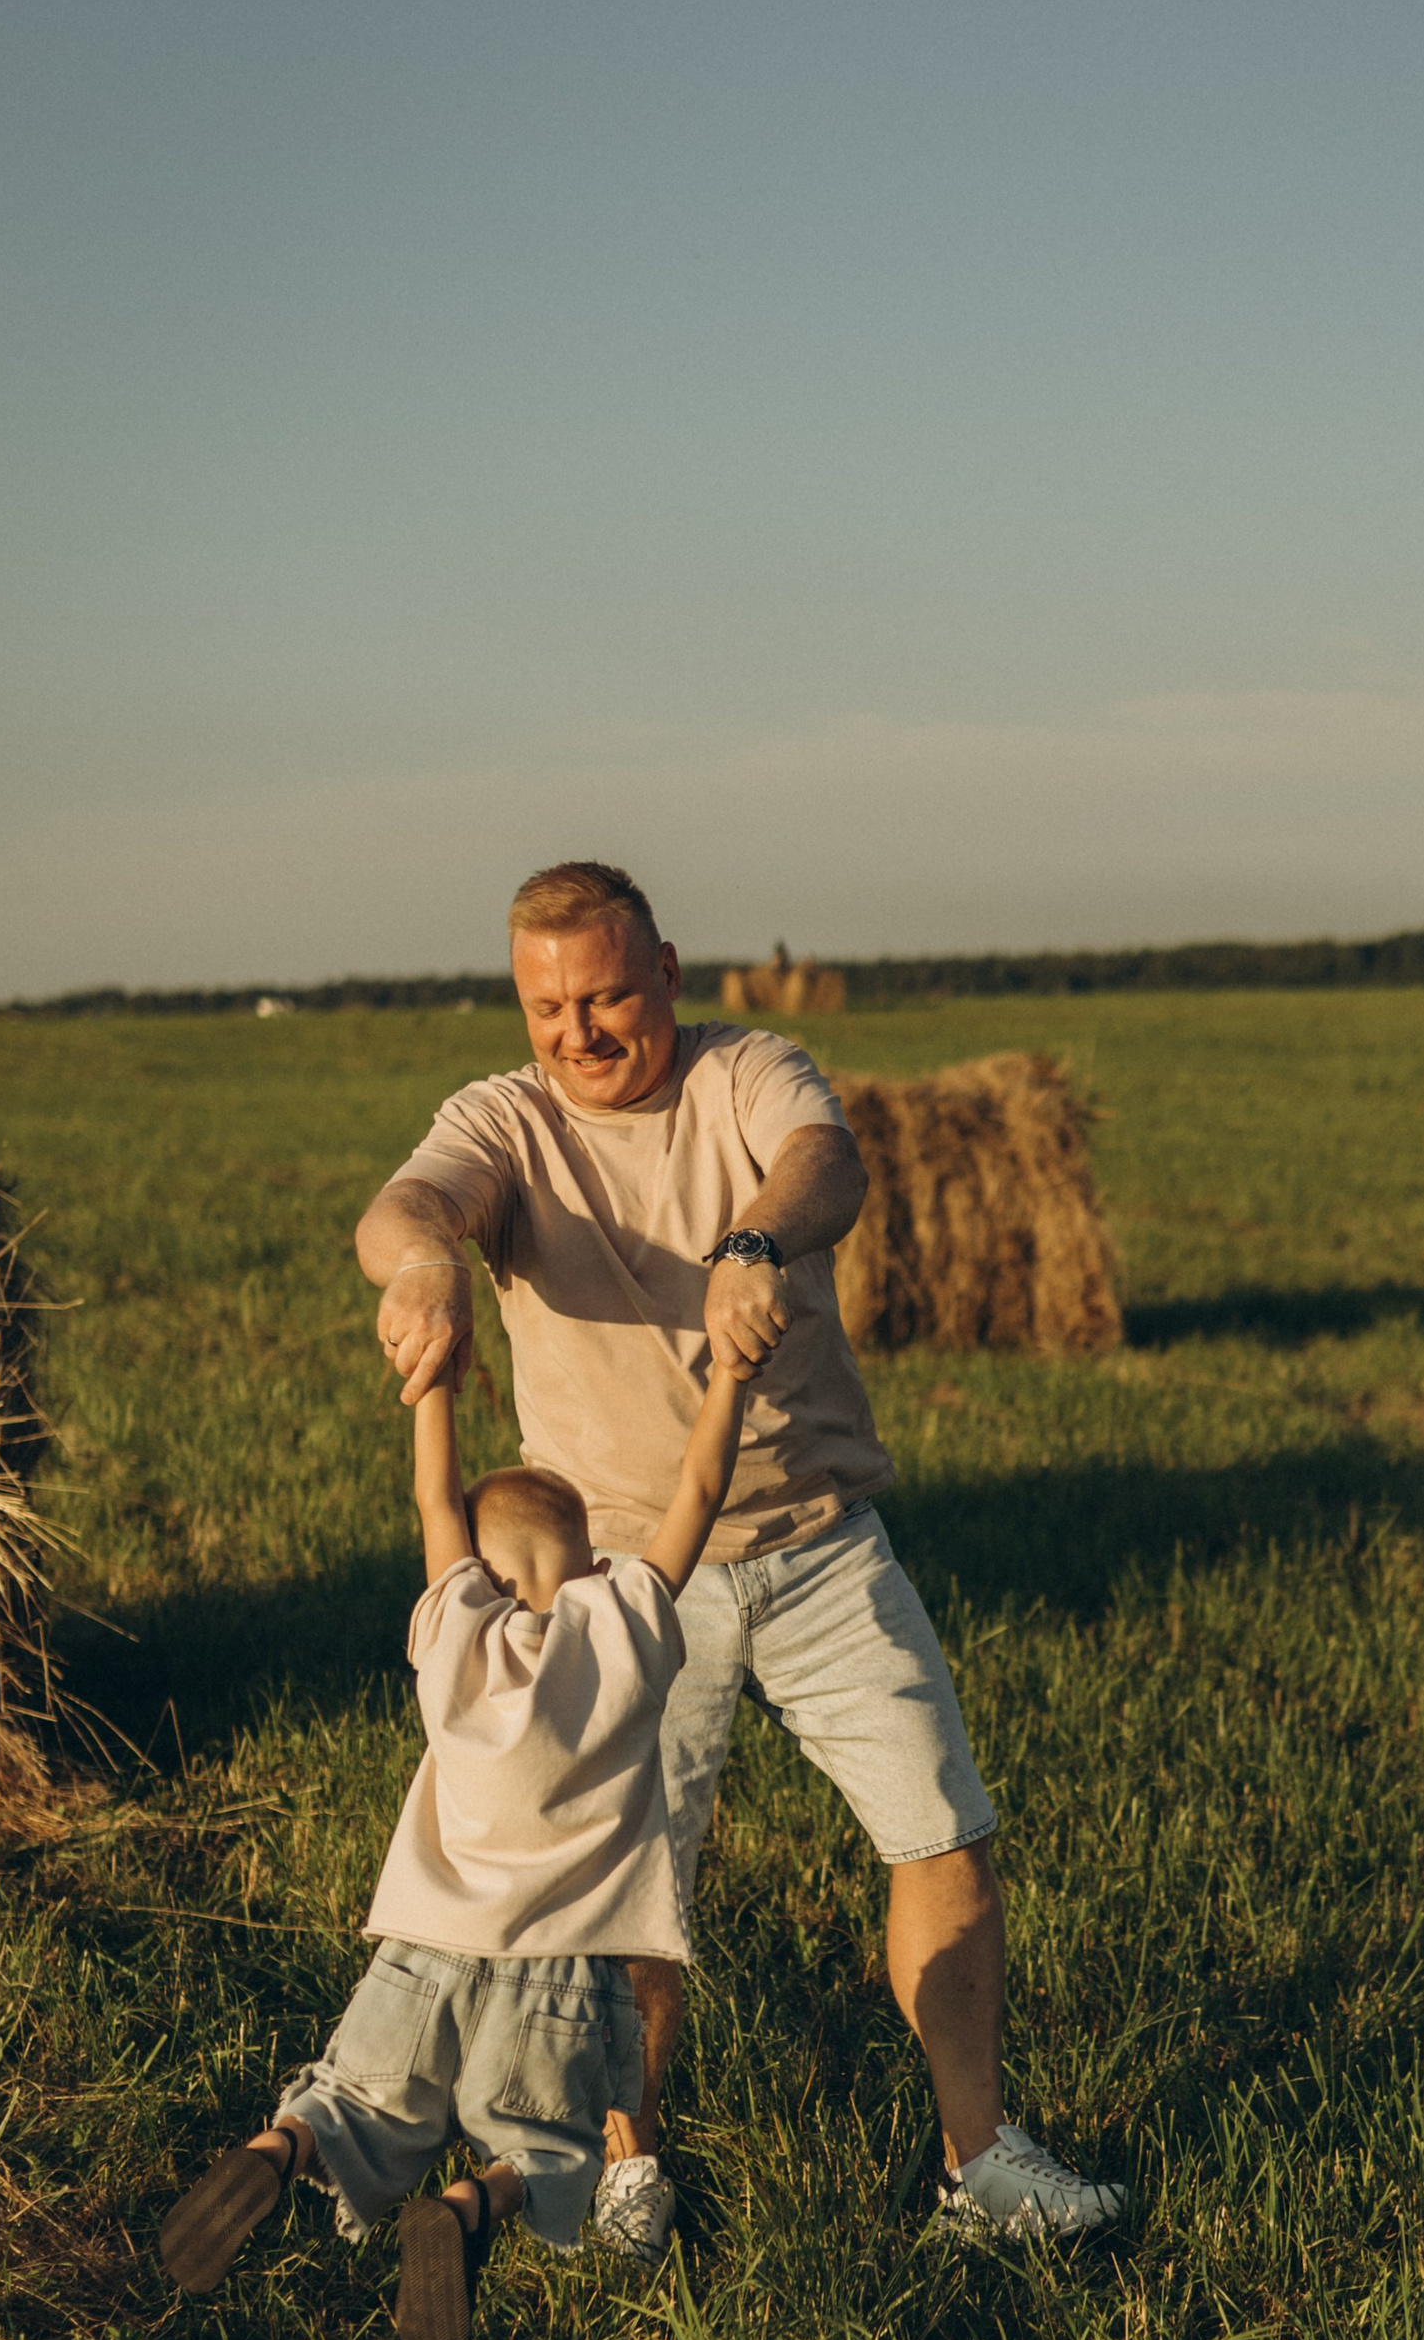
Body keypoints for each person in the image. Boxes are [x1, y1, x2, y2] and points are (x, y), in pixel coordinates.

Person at [349, 857, 1122, 2239]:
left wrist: (758, 1235)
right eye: (547, 1008)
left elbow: (829, 1161)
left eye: (604, 997)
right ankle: (624, 2166)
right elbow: (406, 1208)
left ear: (667, 974)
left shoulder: (748, 1069)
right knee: (630, 1889)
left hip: (824, 1540)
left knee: (942, 1831)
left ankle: (981, 2162)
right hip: (625, 1588)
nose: (579, 1032)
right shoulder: (503, 1123)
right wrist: (419, 1265)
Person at [157, 1337, 755, 2340]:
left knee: (356, 2105)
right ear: (594, 1564)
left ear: (476, 1571)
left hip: (419, 1952)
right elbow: (700, 1487)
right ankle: (470, 2209)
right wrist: (736, 1375)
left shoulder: (449, 1631)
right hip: (560, 1970)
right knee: (557, 2147)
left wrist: (432, 1382)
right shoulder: (624, 1625)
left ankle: (279, 2146)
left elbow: (438, 1500)